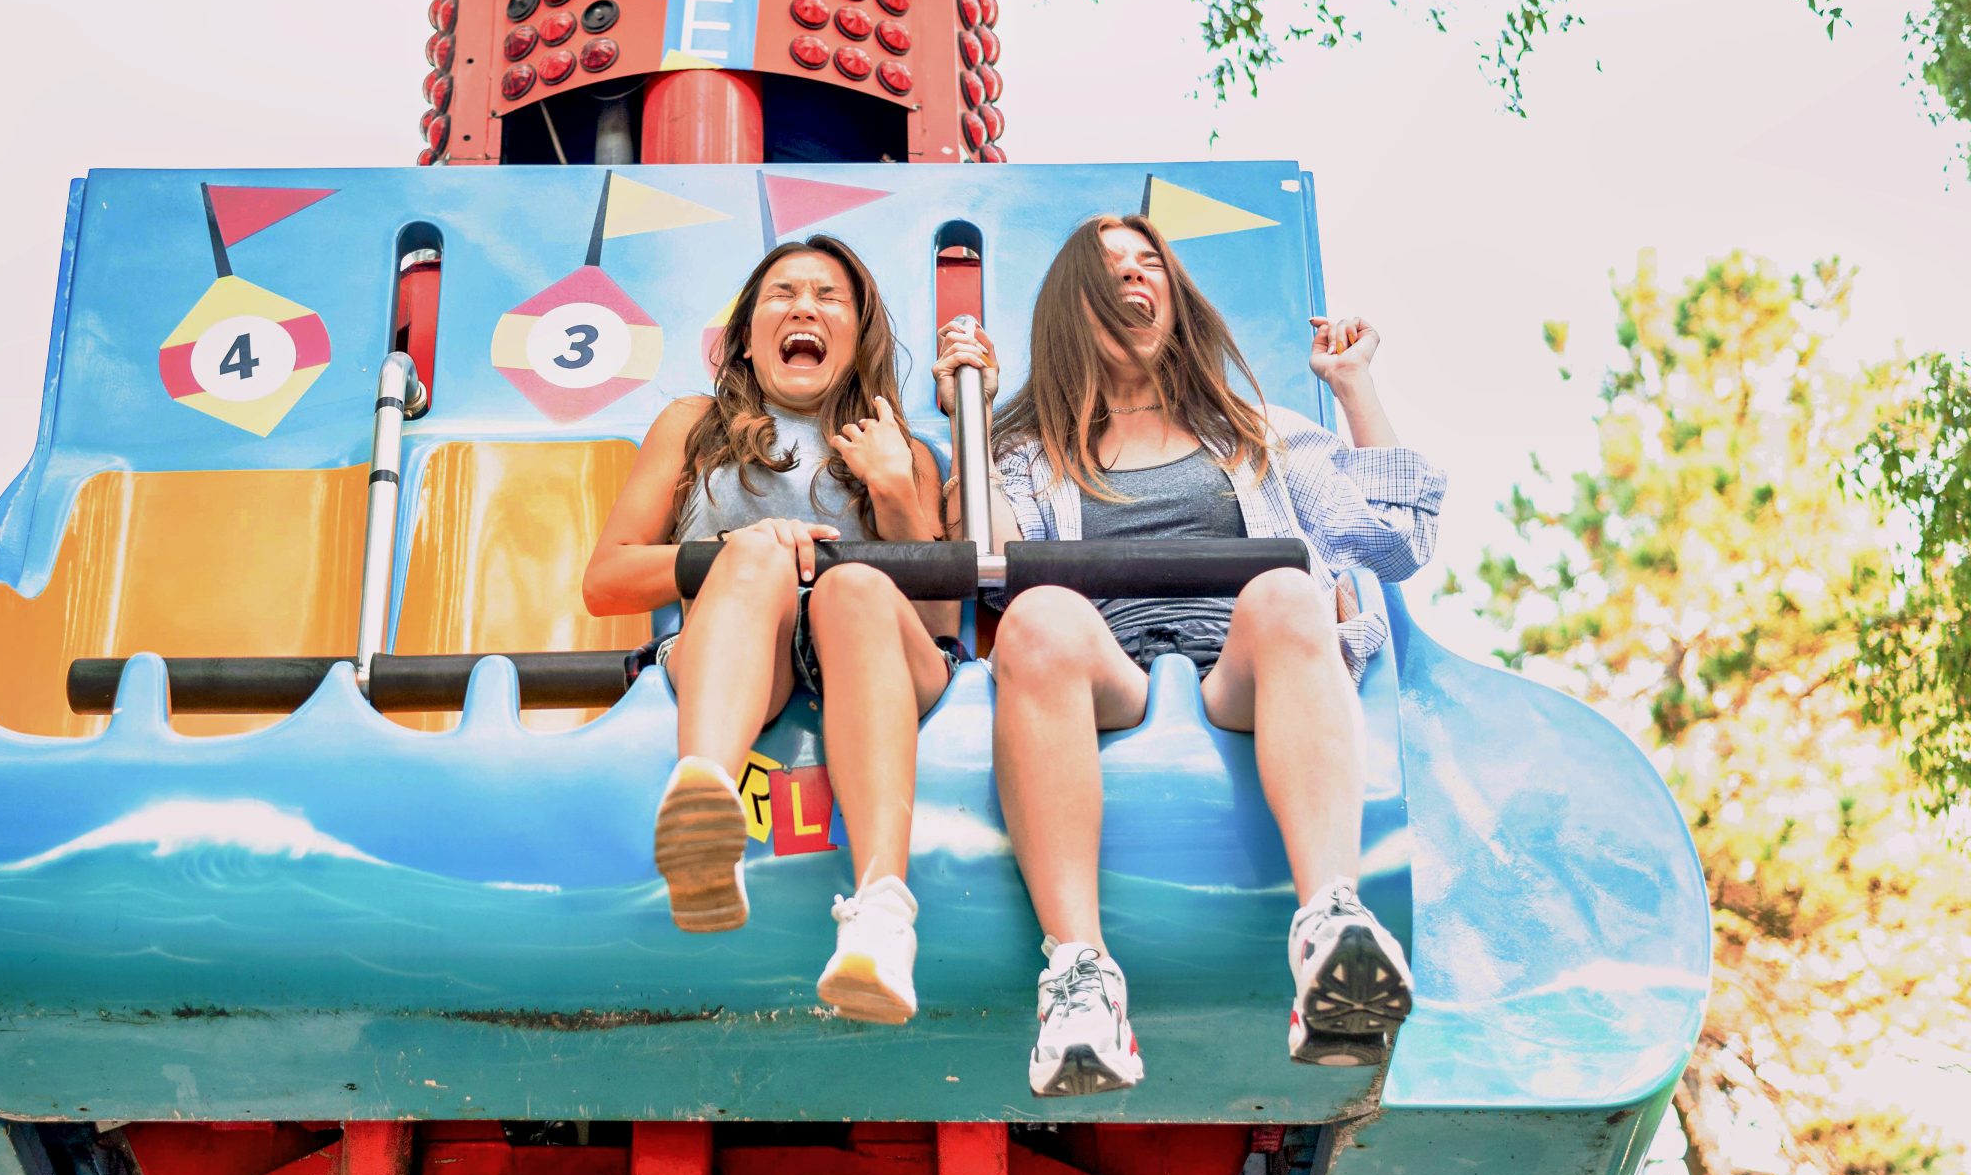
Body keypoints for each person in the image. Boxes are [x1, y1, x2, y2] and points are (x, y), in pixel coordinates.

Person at [934, 214, 1445, 1096]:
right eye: (1111, 269)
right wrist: (970, 422)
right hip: (1115, 672)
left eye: (1150, 266)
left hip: (1239, 668)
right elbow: (984, 560)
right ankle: (1080, 976)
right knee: (1037, 612)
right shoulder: (1028, 452)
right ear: (1074, 306)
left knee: (1288, 588)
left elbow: (1397, 541)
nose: (1137, 279)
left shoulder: (1257, 431)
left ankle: (1330, 925)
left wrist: (1354, 387)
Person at [584, 236, 961, 1024]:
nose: (804, 307)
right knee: (754, 558)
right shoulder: (694, 425)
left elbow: (938, 621)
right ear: (747, 340)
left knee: (853, 587)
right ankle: (705, 818)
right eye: (781, 294)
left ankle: (883, 914)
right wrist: (726, 551)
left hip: (872, 650)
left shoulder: (906, 448)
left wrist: (893, 489)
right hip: (742, 644)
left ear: (857, 336)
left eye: (829, 296)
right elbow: (606, 578)